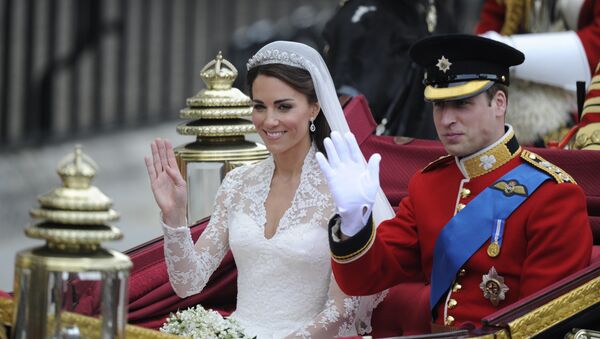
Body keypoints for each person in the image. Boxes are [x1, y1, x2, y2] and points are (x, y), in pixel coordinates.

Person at [316, 34, 592, 330]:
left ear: (499, 103)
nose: (446, 119)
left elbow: (543, 323)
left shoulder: (553, 194)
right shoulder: (428, 184)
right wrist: (354, 225)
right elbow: (366, 278)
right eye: (438, 105)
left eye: (461, 104)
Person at [144, 41, 393, 339]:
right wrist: (174, 216)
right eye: (259, 106)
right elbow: (189, 282)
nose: (269, 120)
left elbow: (342, 312)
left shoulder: (342, 191)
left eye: (284, 106)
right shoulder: (238, 184)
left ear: (314, 108)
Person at [475, 0, 599, 145]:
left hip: (580, 93)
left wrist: (506, 50)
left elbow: (595, 45)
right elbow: (491, 21)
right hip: (512, 84)